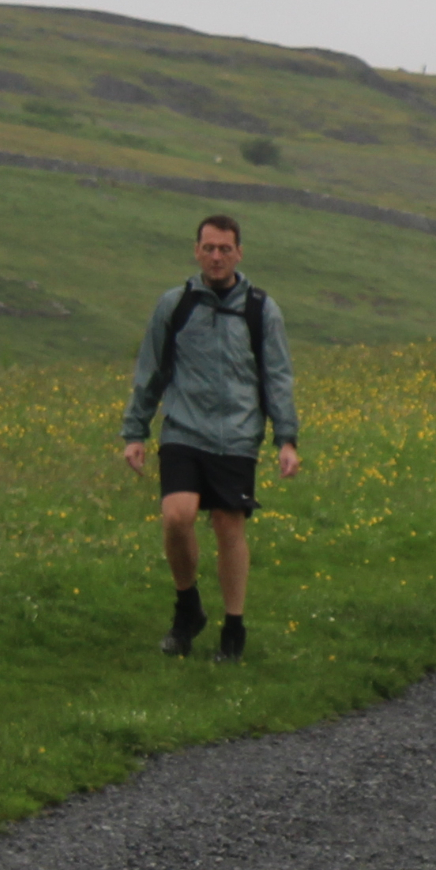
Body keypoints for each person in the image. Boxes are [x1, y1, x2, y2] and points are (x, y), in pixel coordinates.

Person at [118, 212, 302, 660]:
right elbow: (152, 370)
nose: (216, 256)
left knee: (228, 526)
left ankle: (233, 629)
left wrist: (286, 439)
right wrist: (135, 431)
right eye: (208, 248)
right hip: (183, 430)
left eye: (225, 248)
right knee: (177, 517)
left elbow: (277, 376)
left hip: (237, 436)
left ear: (239, 252)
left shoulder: (261, 309)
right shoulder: (175, 304)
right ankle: (188, 608)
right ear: (196, 250)